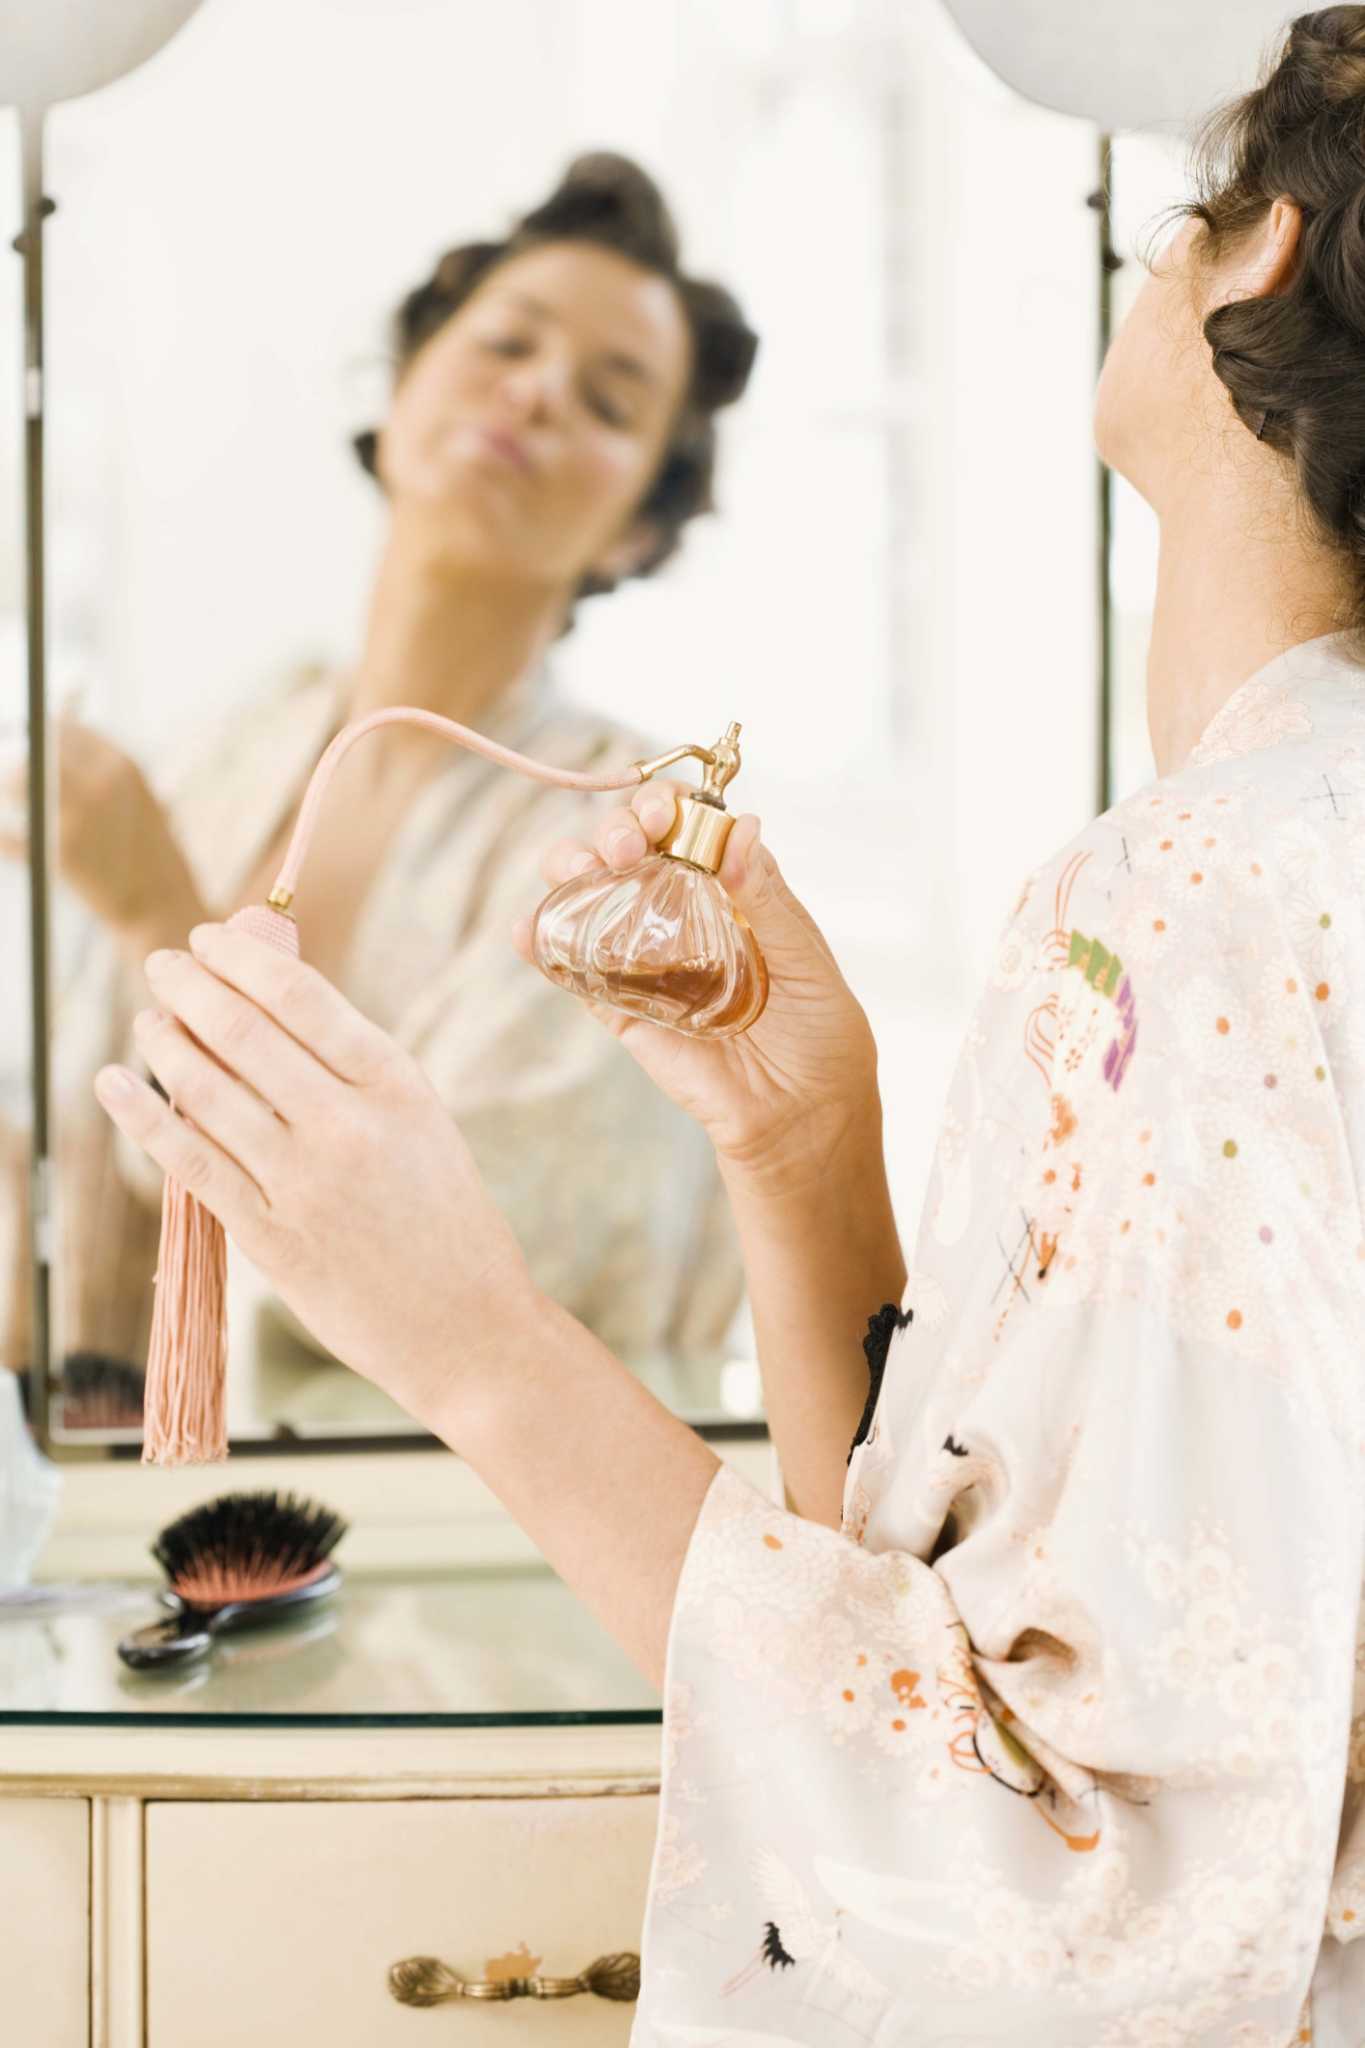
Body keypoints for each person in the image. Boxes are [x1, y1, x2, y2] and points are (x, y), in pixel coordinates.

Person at [93, 7, 1365, 2039]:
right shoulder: (1257, 856)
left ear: (1265, 251)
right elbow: (1012, 1624)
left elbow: (1067, 1878)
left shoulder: (1208, 896)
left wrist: (476, 1345)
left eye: (1194, 202)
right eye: (502, 340)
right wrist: (803, 1148)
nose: (527, 399)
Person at [0, 152, 759, 1420]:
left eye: (611, 400)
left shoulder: (624, 855)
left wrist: (153, 921)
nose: (535, 392)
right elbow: (62, 1155)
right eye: (506, 340)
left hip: (435, 1560)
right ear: (404, 384)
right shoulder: (233, 743)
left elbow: (452, 1275)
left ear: (638, 524)